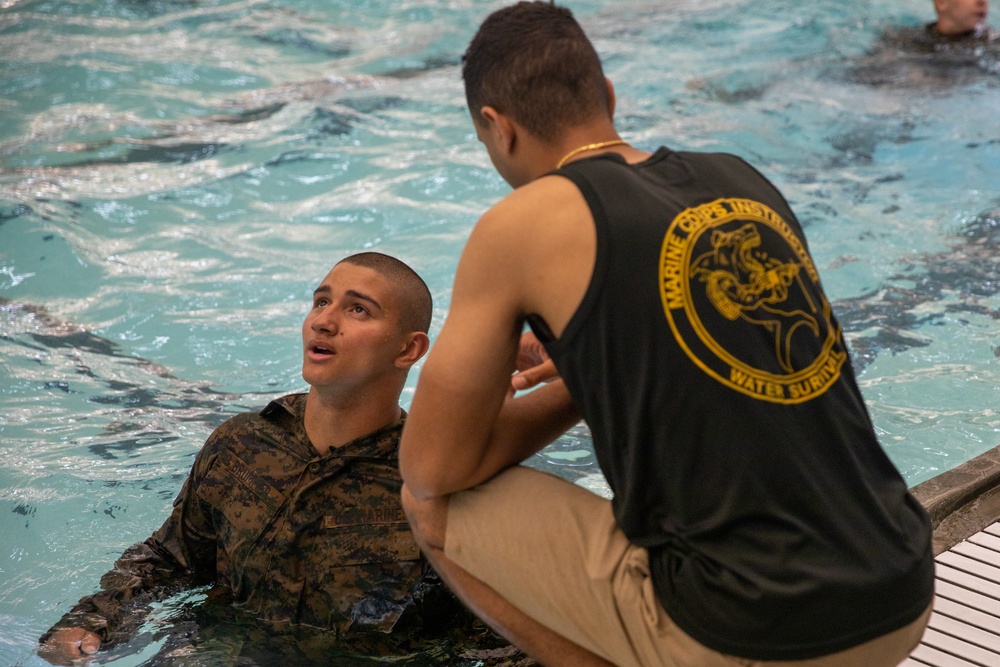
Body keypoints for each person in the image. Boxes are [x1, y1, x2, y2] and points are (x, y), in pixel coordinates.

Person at [398, 3, 935, 667]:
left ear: (496, 127)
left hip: (754, 632)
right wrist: (588, 366)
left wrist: (574, 390)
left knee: (431, 508)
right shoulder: (743, 180)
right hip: (902, 588)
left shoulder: (521, 223)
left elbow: (432, 466)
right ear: (609, 96)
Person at [38, 252, 454, 665]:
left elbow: (482, 635)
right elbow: (172, 560)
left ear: (408, 349)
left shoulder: (429, 484)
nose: (323, 321)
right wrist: (91, 621)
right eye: (321, 301)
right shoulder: (242, 445)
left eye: (358, 309)